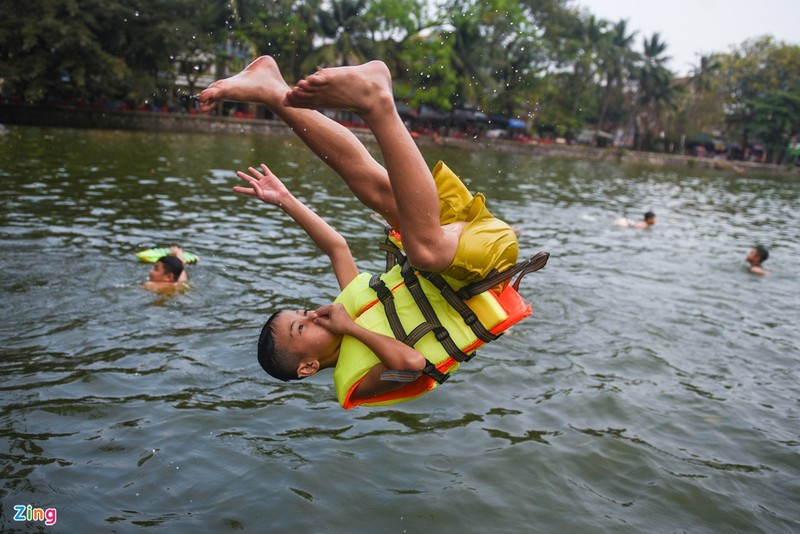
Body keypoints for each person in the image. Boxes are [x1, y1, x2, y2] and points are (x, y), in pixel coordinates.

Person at [198, 57, 535, 409]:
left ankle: (272, 90)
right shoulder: (357, 383)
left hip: (459, 237)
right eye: (301, 328)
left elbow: (335, 246)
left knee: (371, 189)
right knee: (423, 253)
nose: (312, 315)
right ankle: (377, 101)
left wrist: (285, 200)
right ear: (308, 367)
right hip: (484, 264)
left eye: (301, 313)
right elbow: (412, 365)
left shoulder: (347, 305)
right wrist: (352, 329)